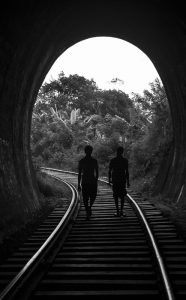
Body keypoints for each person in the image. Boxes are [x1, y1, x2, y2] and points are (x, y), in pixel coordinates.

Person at [78, 145, 99, 220]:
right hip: (91, 181)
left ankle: (88, 209)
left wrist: (79, 184)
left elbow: (80, 174)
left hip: (86, 181)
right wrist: (96, 180)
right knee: (91, 196)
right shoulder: (94, 161)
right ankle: (88, 209)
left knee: (86, 197)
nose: (89, 152)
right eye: (88, 151)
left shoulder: (82, 161)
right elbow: (97, 172)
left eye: (89, 151)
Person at [108, 146, 130, 217]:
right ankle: (121, 211)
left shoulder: (113, 160)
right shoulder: (125, 161)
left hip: (115, 180)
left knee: (116, 195)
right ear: (122, 152)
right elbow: (127, 172)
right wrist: (128, 181)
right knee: (122, 196)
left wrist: (109, 179)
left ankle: (118, 211)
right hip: (122, 180)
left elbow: (109, 171)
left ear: (117, 152)